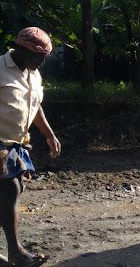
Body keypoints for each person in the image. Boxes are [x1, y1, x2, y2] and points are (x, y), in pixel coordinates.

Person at [0, 27, 61, 267]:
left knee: (13, 191)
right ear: (21, 50)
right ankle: (16, 253)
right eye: (37, 57)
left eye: (44, 58)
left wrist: (49, 135)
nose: (40, 62)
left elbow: (36, 107)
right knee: (10, 191)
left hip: (19, 145)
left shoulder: (33, 74)